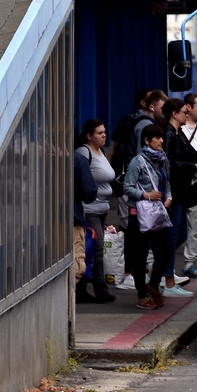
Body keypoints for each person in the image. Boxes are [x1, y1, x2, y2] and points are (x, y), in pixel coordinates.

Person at [123, 124, 174, 310]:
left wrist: (168, 197)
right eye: (157, 138)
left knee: (167, 250)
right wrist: (147, 196)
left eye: (162, 138)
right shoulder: (138, 161)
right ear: (146, 140)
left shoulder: (162, 160)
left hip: (159, 213)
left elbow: (166, 183)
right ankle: (141, 296)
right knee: (140, 255)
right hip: (140, 215)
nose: (161, 141)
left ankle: (153, 283)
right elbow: (126, 188)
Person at [76, 119, 117, 303]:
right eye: (99, 133)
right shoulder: (83, 152)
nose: (104, 135)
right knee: (97, 248)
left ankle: (82, 288)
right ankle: (100, 289)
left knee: (92, 249)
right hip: (89, 209)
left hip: (102, 209)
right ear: (89, 136)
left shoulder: (101, 152)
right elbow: (82, 180)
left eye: (104, 132)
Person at [160, 98, 197, 297]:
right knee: (173, 235)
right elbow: (169, 163)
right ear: (174, 113)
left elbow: (189, 154)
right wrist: (192, 167)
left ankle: (163, 272)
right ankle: (168, 280)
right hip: (174, 192)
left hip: (182, 191)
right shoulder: (168, 134)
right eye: (183, 111)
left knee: (181, 234)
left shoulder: (178, 133)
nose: (186, 113)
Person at [180, 93, 197, 280]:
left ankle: (189, 263)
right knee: (178, 227)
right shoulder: (178, 131)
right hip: (183, 183)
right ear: (188, 107)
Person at [72, 135, 98, 296]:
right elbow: (89, 191)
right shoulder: (77, 160)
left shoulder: (38, 156)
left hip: (42, 220)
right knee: (77, 261)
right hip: (72, 218)